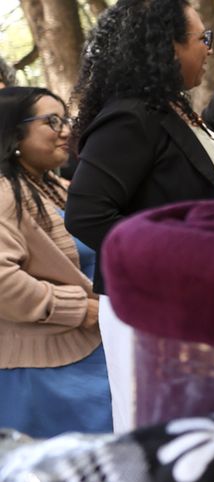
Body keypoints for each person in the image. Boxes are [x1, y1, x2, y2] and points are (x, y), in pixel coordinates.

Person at [66, 0, 214, 433]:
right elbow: (86, 214)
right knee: (168, 433)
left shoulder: (167, 107)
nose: (210, 48)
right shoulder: (130, 115)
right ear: (168, 47)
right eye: (202, 39)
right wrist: (179, 255)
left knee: (204, 428)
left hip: (190, 296)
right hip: (152, 304)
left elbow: (198, 162)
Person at [0, 87, 112, 437]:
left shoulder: (53, 186)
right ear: (14, 133)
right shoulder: (5, 193)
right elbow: (3, 282)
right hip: (47, 371)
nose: (66, 131)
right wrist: (77, 308)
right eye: (52, 121)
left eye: (66, 120)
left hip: (85, 350)